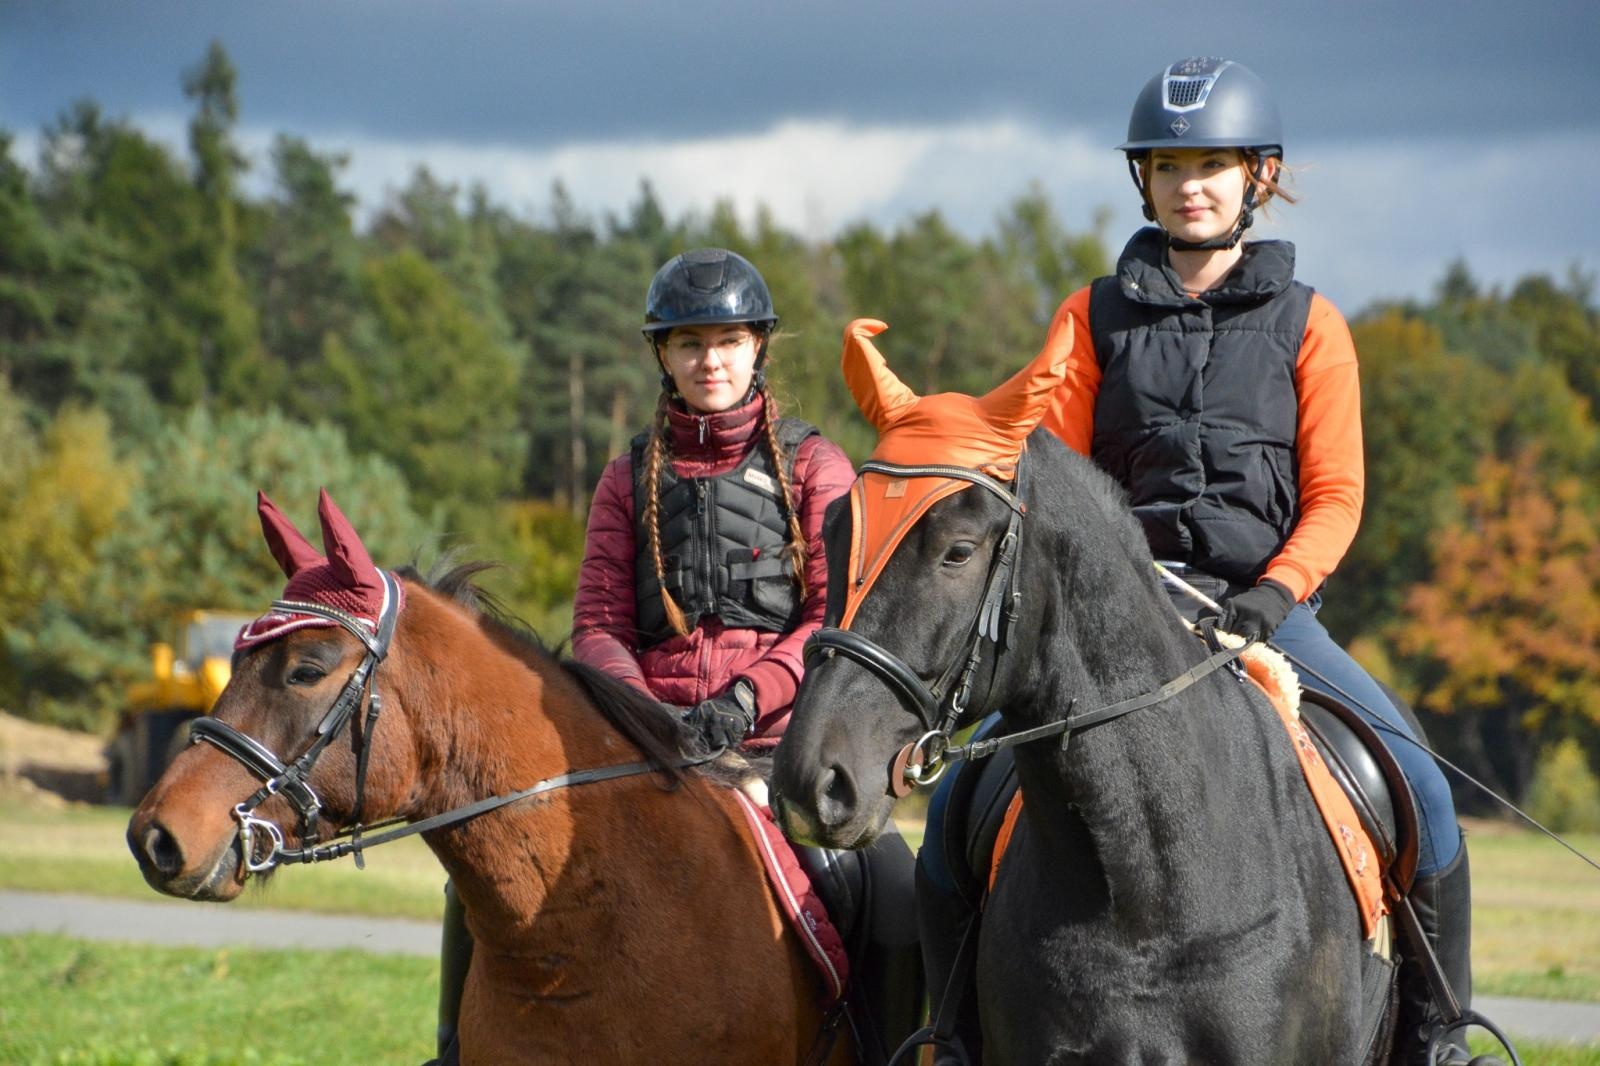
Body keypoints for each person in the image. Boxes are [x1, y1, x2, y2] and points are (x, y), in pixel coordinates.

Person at [919, 58, 1474, 1066]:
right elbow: (1055, 478)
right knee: (958, 804)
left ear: (1259, 175)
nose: (1190, 186)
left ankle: (1438, 1035)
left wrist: (1273, 594)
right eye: (1168, 165)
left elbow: (1337, 495)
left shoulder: (1312, 324)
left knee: (1422, 789)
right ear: (1144, 180)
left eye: (1212, 164)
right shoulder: (1089, 317)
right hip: (1114, 621)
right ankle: (949, 1032)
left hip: (1271, 610)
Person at [433, 248, 920, 1064]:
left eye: (728, 340)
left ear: (758, 346)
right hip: (645, 746)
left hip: (777, 744)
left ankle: (890, 1052)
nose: (711, 361)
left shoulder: (815, 464)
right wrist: (647, 718)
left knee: (894, 887)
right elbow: (596, 625)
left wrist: (740, 705)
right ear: (662, 354)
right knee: (476, 873)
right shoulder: (627, 477)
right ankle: (453, 1047)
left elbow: (829, 618)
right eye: (690, 343)